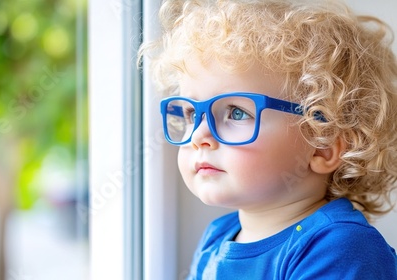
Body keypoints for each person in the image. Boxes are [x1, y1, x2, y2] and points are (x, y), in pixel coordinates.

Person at [139, 0, 397, 279]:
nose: (200, 135)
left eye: (236, 112)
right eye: (191, 113)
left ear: (322, 145)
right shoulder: (218, 236)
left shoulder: (340, 249)